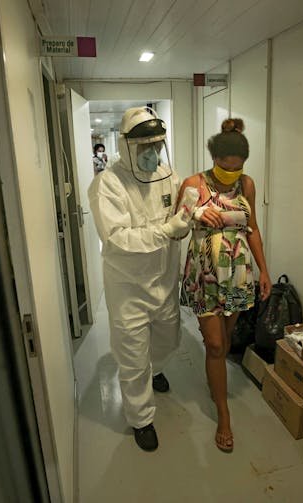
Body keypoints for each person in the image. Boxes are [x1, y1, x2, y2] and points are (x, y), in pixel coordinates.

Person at [88, 107, 199, 452]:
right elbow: (118, 238)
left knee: (168, 338)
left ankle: (157, 369)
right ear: (126, 148)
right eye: (144, 148)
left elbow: (182, 210)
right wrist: (168, 230)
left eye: (157, 145)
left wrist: (188, 220)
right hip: (128, 288)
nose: (153, 155)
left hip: (164, 280)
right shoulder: (107, 185)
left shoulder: (166, 174)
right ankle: (141, 418)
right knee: (133, 356)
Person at [179, 118, 271, 453]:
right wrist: (197, 213)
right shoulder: (193, 183)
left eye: (237, 168)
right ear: (213, 158)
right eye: (224, 168)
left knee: (226, 339)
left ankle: (214, 377)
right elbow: (175, 228)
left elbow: (253, 229)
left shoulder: (246, 184)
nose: (230, 173)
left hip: (237, 273)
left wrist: (264, 270)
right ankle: (224, 414)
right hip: (205, 275)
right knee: (216, 345)